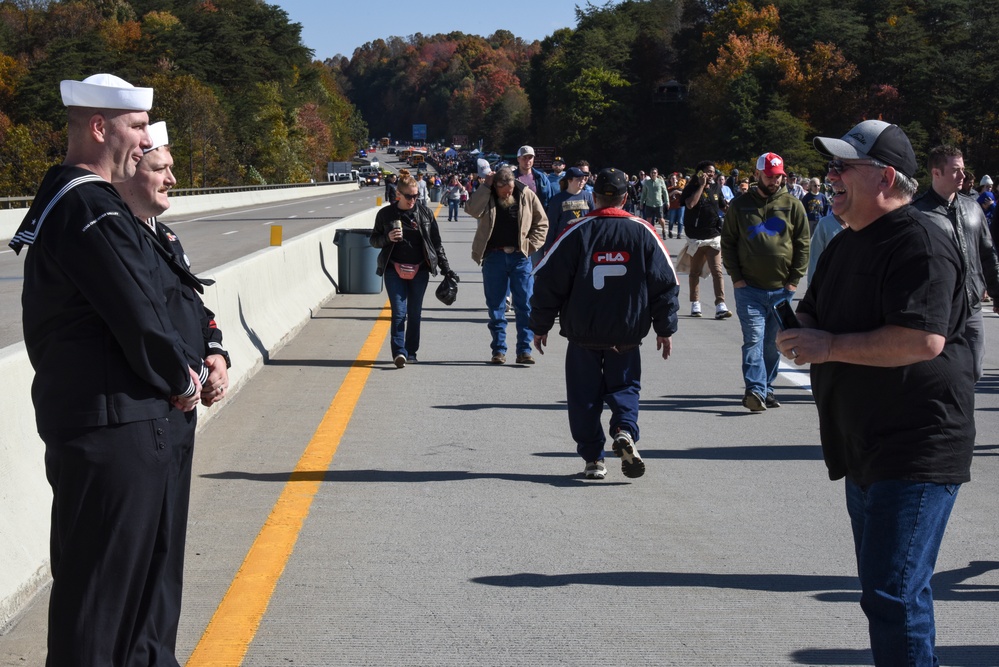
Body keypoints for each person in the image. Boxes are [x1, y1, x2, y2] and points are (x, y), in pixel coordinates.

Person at [9, 74, 212, 666]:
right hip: (111, 427)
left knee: (144, 593)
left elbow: (168, 293)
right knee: (102, 601)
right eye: (139, 127)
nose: (147, 140)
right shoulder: (84, 202)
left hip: (127, 422)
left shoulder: (87, 202)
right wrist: (181, 377)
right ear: (100, 128)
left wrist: (201, 356)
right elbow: (137, 307)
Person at [777, 119, 974, 667]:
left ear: (886, 176)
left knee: (892, 595)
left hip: (917, 445)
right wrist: (799, 329)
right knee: (891, 592)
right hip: (865, 443)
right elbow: (816, 305)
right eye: (831, 166)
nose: (830, 176)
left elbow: (922, 339)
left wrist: (829, 344)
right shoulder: (845, 243)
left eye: (843, 167)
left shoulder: (921, 242)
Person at [531, 168, 679, 480]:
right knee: (625, 387)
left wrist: (540, 324)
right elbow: (665, 284)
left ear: (594, 198)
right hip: (626, 331)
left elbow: (549, 281)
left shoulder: (576, 231)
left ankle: (593, 459)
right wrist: (664, 328)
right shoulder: (644, 232)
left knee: (584, 397)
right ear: (627, 198)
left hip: (584, 333)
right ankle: (624, 429)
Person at [721, 152, 809, 411]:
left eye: (778, 176)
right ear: (758, 174)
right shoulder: (740, 205)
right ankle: (755, 389)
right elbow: (728, 243)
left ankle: (767, 389)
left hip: (782, 289)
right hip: (749, 288)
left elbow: (803, 244)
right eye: (769, 176)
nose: (774, 181)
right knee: (753, 339)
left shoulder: (793, 205)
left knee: (772, 343)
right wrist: (736, 278)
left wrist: (794, 281)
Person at [913, 144, 999, 381]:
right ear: (936, 173)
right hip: (936, 310)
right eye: (956, 170)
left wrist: (997, 291)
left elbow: (987, 253)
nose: (963, 176)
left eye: (963, 169)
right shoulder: (918, 213)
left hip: (971, 307)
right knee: (936, 375)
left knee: (974, 372)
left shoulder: (973, 208)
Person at [371, 169, 456, 367]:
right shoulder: (385, 214)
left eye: (416, 196)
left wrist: (446, 269)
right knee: (399, 312)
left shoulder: (425, 213)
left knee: (415, 312)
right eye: (409, 196)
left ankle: (411, 351)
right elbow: (373, 239)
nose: (413, 200)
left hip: (420, 270)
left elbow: (436, 244)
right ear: (398, 194)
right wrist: (387, 238)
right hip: (394, 270)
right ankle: (399, 352)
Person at [466, 165, 548, 364]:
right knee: (496, 307)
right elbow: (471, 210)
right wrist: (485, 187)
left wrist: (530, 246)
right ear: (496, 186)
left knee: (524, 305)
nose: (508, 194)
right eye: (504, 191)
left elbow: (542, 223)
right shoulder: (489, 194)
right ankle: (499, 350)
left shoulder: (526, 195)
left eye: (510, 190)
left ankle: (524, 351)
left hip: (520, 258)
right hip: (494, 257)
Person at [679, 160, 732, 319]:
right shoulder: (690, 188)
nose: (712, 175)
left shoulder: (716, 187)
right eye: (709, 171)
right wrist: (701, 186)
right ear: (700, 173)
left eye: (714, 172)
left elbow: (723, 206)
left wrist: (736, 213)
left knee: (717, 271)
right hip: (695, 239)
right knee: (694, 272)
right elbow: (690, 204)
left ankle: (720, 304)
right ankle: (695, 304)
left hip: (713, 236)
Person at [541, 165, 594, 255]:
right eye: (578, 179)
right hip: (563, 243)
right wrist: (548, 247)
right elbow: (552, 224)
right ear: (569, 180)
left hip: (583, 242)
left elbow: (593, 219)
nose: (582, 182)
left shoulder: (588, 197)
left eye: (583, 179)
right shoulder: (557, 199)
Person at [513, 145, 558, 209]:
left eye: (530, 157)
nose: (527, 160)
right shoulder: (511, 177)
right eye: (524, 157)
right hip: (518, 215)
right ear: (518, 159)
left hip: (538, 216)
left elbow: (550, 200)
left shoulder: (542, 178)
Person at [807, 212, 846, 280]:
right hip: (830, 282)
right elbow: (815, 257)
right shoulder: (825, 224)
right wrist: (812, 285)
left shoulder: (862, 223)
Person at [640, 167, 668, 237]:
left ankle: (664, 229)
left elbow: (665, 192)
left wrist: (667, 201)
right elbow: (643, 193)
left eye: (655, 173)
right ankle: (649, 232)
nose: (653, 174)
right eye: (652, 173)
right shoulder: (647, 182)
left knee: (660, 219)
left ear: (657, 174)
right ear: (650, 174)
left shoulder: (660, 181)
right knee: (648, 219)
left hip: (658, 204)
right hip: (649, 204)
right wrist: (641, 202)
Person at [666, 172, 685, 239]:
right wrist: (673, 192)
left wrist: (678, 192)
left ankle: (679, 234)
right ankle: (670, 231)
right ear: (670, 180)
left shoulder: (681, 186)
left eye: (675, 178)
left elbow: (684, 194)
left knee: (680, 220)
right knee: (671, 220)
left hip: (680, 206)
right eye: (672, 178)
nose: (674, 180)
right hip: (672, 206)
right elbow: (667, 196)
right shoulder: (669, 188)